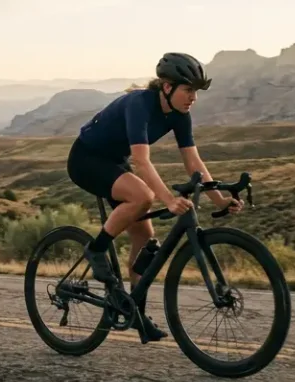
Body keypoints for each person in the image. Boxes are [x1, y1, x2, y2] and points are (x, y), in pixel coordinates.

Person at [66, 52, 243, 343]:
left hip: (113, 162)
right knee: (143, 196)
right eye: (188, 90)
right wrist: (169, 200)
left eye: (195, 92)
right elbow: (141, 161)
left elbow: (194, 163)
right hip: (86, 159)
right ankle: (96, 250)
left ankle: (135, 313)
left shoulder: (180, 116)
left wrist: (220, 200)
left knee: (145, 239)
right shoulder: (139, 104)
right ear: (166, 87)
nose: (193, 98)